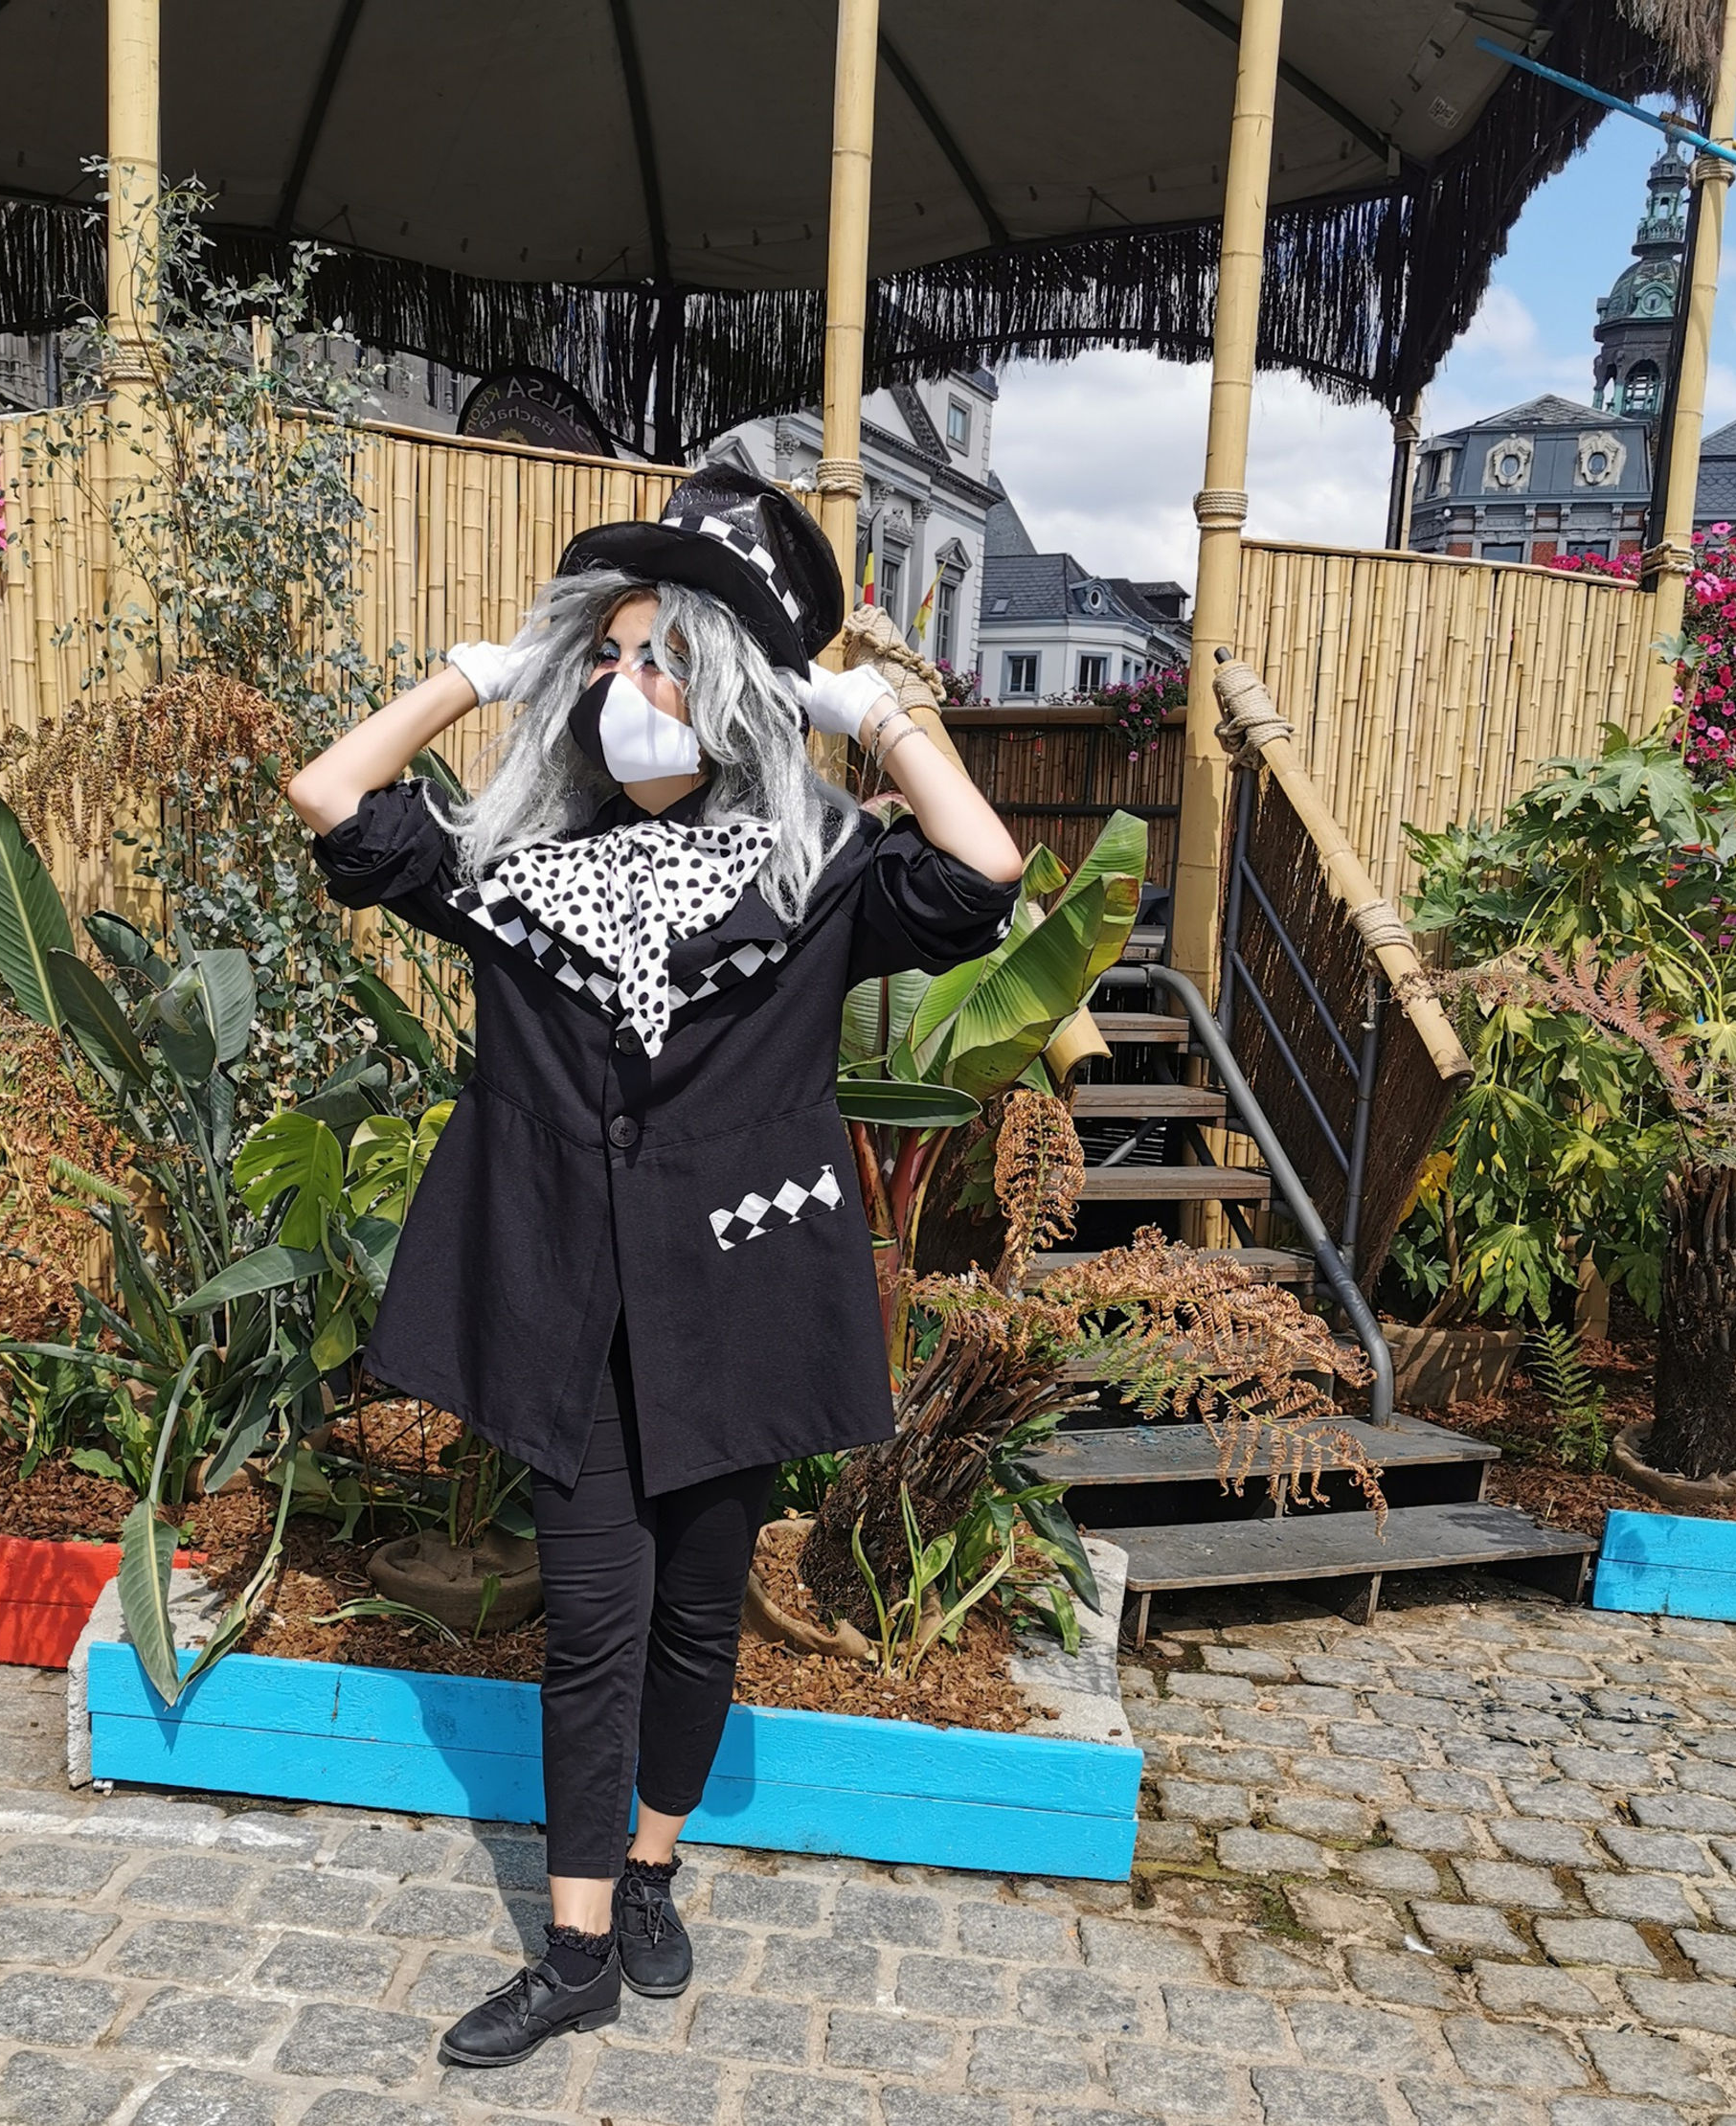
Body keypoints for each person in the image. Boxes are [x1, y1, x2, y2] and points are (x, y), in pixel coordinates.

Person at [287, 464, 1022, 2066]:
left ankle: (649, 1869)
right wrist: (484, 671)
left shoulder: (816, 871)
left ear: (739, 688)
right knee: (589, 1625)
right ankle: (571, 1953)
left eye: (671, 655)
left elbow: (984, 871)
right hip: (563, 1308)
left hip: (737, 1304)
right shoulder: (506, 865)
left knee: (701, 1616)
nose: (637, 690)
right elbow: (331, 795)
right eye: (612, 657)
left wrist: (865, 711)